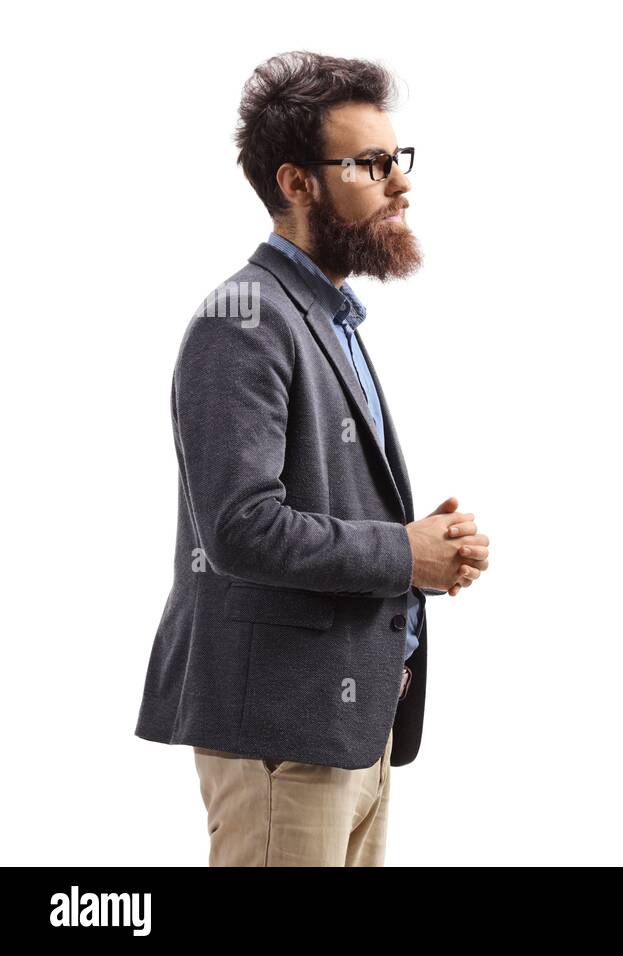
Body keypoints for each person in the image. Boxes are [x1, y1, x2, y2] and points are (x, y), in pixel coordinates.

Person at [134, 51, 491, 866]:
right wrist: (404, 552)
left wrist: (415, 544)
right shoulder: (245, 317)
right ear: (297, 184)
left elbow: (306, 504)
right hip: (281, 740)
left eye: (397, 159)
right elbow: (240, 528)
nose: (398, 183)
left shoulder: (327, 319)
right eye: (369, 164)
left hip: (347, 731)